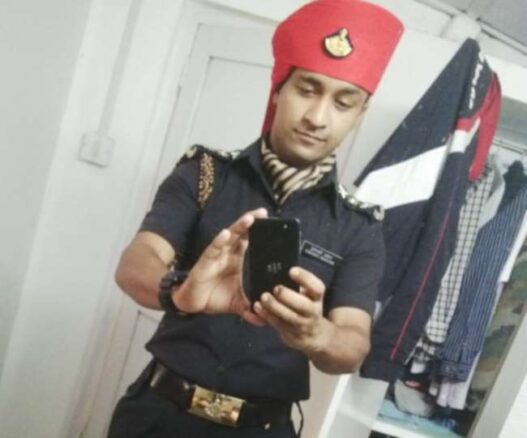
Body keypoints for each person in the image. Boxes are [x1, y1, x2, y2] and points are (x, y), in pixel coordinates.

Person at [107, 1, 403, 437]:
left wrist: (317, 333)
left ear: (359, 114)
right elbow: (137, 262)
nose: (318, 118)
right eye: (307, 90)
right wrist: (181, 292)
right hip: (157, 416)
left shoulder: (358, 226)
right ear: (278, 89)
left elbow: (353, 342)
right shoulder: (204, 174)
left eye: (343, 103)